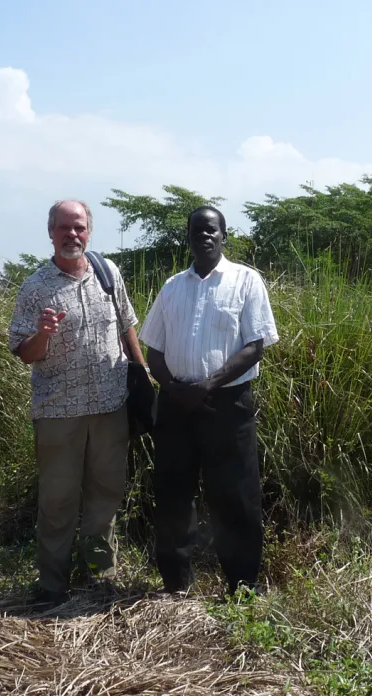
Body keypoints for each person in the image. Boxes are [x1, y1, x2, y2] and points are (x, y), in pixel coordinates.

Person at [8, 199, 145, 606]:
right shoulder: (35, 287)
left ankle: (100, 580)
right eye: (64, 228)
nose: (73, 235)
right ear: (50, 232)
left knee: (105, 494)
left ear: (89, 232)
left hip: (109, 405)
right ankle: (52, 585)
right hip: (58, 410)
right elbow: (23, 352)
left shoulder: (108, 272)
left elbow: (127, 325)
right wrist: (43, 335)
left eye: (79, 227)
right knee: (58, 499)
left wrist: (142, 375)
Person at [138, 205, 278, 596]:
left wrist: (208, 385)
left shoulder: (246, 281)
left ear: (224, 236)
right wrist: (175, 389)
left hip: (227, 406)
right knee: (172, 493)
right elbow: (154, 351)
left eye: (212, 230)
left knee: (235, 494)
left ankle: (242, 586)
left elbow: (254, 347)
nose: (205, 236)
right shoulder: (172, 287)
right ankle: (176, 584)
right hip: (175, 405)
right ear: (188, 237)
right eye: (197, 230)